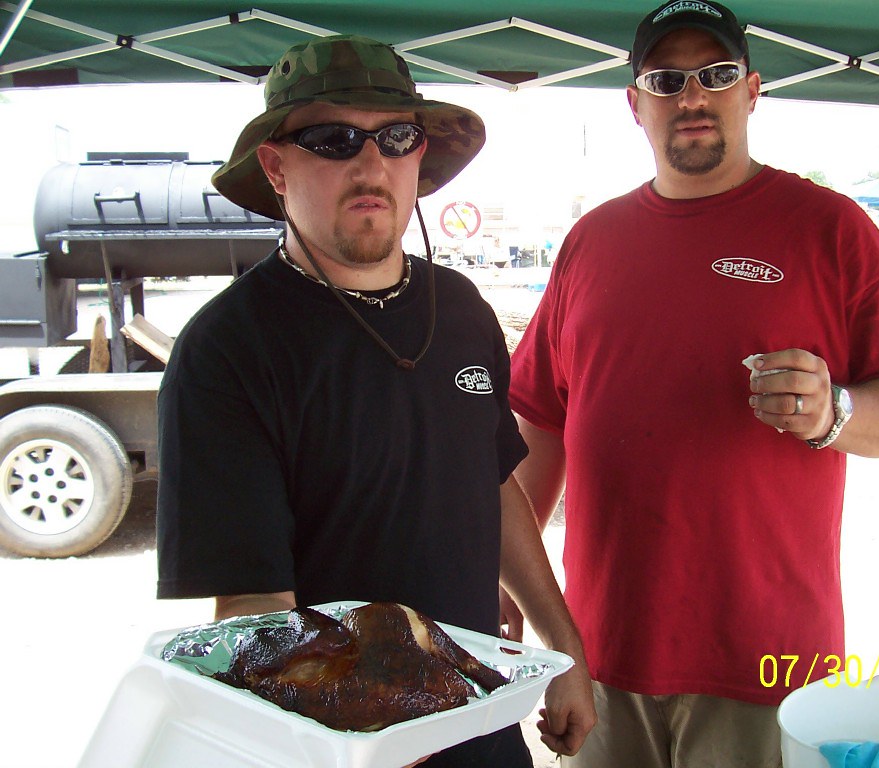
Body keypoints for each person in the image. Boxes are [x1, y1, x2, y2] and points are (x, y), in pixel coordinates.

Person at [504, 2, 879, 767]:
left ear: (751, 91)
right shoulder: (591, 241)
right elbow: (540, 423)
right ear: (635, 103)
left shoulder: (828, 228)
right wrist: (516, 594)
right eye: (666, 78)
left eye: (714, 75)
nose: (692, 97)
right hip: (602, 652)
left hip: (770, 660)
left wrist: (834, 411)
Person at [155, 34, 595, 767]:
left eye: (396, 137)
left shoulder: (459, 307)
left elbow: (488, 481)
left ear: (420, 157)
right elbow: (251, 613)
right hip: (343, 747)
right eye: (331, 139)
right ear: (276, 165)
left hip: (482, 727)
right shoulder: (229, 349)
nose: (370, 165)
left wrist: (565, 645)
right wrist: (356, 738)